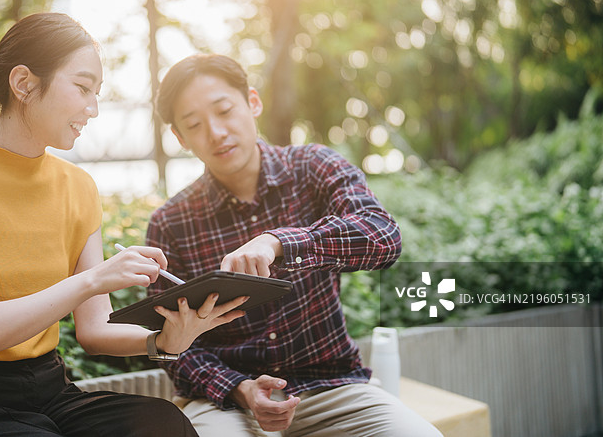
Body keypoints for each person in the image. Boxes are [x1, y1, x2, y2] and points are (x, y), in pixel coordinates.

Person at [0, 14, 247, 437]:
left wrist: (163, 341)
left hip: (51, 392)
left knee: (163, 425)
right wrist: (92, 280)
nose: (93, 109)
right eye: (83, 88)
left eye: (97, 93)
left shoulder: (79, 186)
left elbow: (95, 328)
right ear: (24, 83)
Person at [146, 53, 443, 437]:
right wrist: (241, 389)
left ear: (252, 102)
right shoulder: (170, 223)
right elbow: (175, 349)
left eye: (224, 111)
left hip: (332, 389)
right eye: (195, 125)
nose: (217, 132)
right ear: (181, 138)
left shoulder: (314, 166)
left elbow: (383, 236)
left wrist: (279, 241)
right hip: (226, 404)